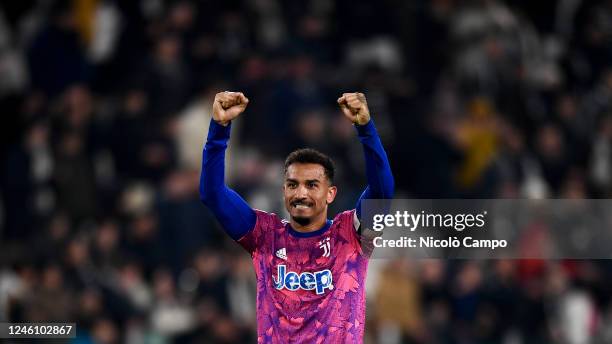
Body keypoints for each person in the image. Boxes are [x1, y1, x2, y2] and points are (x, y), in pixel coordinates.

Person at [199, 91, 394, 343]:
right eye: (293, 184)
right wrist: (219, 129)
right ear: (284, 191)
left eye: (312, 185)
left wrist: (366, 129)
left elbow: (382, 191)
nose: (301, 192)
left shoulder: (350, 235)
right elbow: (212, 194)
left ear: (330, 194)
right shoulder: (265, 235)